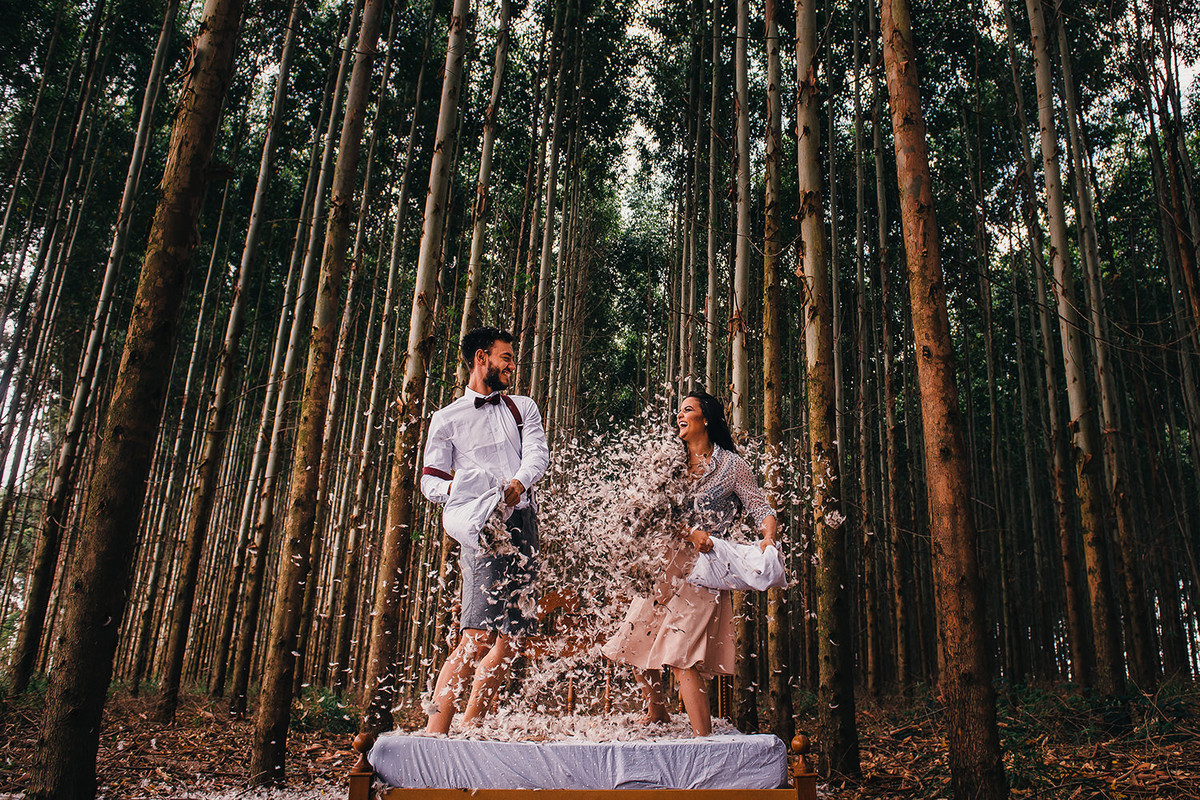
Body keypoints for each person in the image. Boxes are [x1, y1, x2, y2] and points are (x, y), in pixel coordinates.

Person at [602, 390, 778, 736]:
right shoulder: (668, 463)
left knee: (682, 656)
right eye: (678, 411)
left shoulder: (732, 466)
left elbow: (762, 508)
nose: (679, 416)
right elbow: (651, 511)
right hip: (663, 564)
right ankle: (658, 712)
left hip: (704, 568)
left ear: (706, 418)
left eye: (688, 410)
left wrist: (768, 537)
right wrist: (686, 530)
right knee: (634, 640)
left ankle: (703, 741)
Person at [421, 327, 549, 734]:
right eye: (506, 357)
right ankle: (434, 734)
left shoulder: (523, 407)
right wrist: (464, 491)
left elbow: (537, 455)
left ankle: (469, 730)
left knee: (511, 638)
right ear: (482, 358)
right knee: (476, 635)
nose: (512, 364)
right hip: (483, 528)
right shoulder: (446, 419)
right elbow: (430, 483)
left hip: (525, 523)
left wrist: (518, 482)